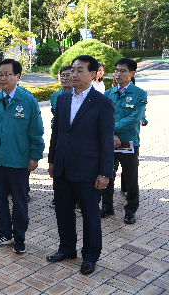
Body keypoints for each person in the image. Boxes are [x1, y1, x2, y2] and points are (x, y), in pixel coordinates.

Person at [47, 55, 115, 276]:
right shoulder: (63, 99)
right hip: (63, 167)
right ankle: (67, 249)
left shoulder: (103, 103)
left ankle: (90, 256)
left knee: (90, 215)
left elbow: (106, 141)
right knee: (63, 212)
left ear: (93, 74)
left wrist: (105, 172)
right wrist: (51, 160)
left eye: (80, 70)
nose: (74, 75)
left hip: (88, 170)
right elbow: (56, 133)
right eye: (73, 70)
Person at [0, 59, 44, 254]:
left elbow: (36, 132)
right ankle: (3, 233)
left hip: (18, 160)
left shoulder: (28, 100)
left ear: (17, 77)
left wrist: (35, 156)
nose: (2, 78)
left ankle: (19, 237)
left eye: (7, 74)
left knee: (19, 200)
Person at [100, 58, 147, 225]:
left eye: (123, 71)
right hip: (109, 142)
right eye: (117, 70)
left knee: (130, 178)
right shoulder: (108, 94)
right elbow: (103, 117)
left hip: (129, 142)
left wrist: (113, 130)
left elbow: (134, 119)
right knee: (107, 174)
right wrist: (111, 135)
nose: (118, 74)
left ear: (132, 74)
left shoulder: (139, 94)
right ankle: (107, 207)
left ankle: (130, 210)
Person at [48, 65, 73, 208]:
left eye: (67, 75)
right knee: (57, 166)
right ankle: (57, 196)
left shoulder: (79, 95)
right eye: (62, 75)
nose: (65, 78)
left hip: (74, 137)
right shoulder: (55, 96)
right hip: (59, 135)